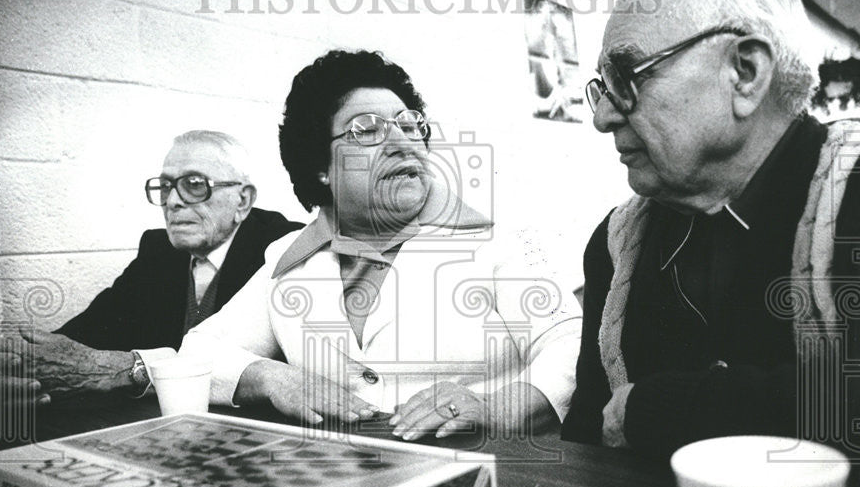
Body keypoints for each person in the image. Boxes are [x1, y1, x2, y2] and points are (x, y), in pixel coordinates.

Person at [560, 0, 860, 487]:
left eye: (629, 76)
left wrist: (656, 409)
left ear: (744, 72)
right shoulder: (615, 241)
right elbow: (588, 444)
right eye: (601, 88)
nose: (603, 116)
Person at [180, 50, 582, 441]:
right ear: (320, 165)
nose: (403, 143)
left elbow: (570, 343)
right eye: (368, 130)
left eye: (409, 126)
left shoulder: (497, 238)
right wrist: (274, 377)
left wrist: (494, 408)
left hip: (494, 471)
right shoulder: (288, 259)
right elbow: (199, 352)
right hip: (346, 483)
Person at [0, 130, 302, 403]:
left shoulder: (285, 249)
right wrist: (22, 367)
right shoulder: (158, 251)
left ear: (242, 200)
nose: (173, 201)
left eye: (194, 185)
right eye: (166, 186)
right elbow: (83, 338)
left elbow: (292, 371)